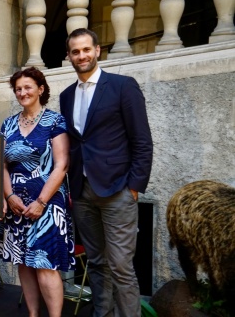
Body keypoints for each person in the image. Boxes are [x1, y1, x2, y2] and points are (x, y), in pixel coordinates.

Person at [59, 28, 153, 317]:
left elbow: (142, 140)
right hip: (83, 193)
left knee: (122, 266)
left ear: (98, 50)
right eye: (76, 51)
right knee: (97, 263)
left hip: (118, 192)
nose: (81, 55)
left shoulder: (123, 86)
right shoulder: (66, 96)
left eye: (86, 49)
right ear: (70, 56)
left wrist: (134, 187)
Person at [0, 67, 74, 317]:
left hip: (48, 203)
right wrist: (9, 196)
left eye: (28, 87)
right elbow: (2, 165)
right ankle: (32, 314)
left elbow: (62, 164)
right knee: (24, 262)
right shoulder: (8, 124)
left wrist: (42, 201)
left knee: (44, 263)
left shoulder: (55, 121)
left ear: (41, 89)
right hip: (17, 204)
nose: (22, 92)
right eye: (18, 88)